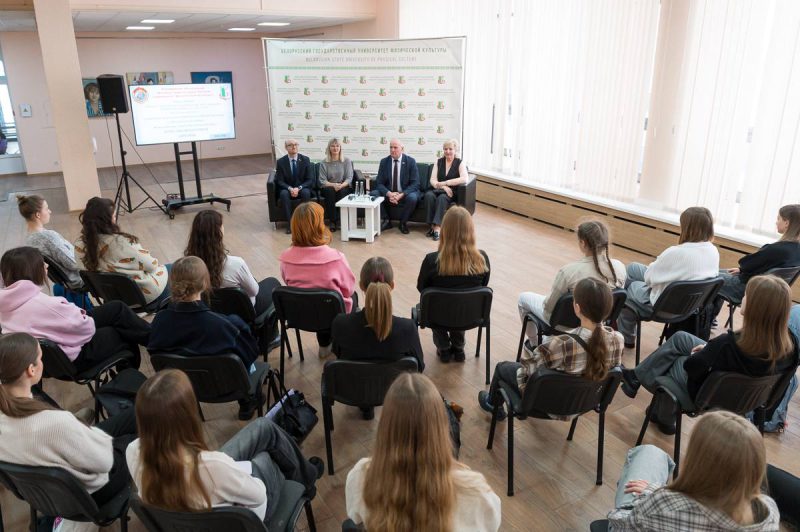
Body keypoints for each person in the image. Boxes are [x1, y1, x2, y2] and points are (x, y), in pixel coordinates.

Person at [127, 369, 323, 524]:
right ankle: (307, 481)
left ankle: (307, 474)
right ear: (187, 417)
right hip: (248, 519)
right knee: (268, 455)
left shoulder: (133, 450)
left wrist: (231, 471)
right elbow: (258, 496)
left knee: (264, 427)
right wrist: (246, 471)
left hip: (202, 496)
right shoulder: (211, 466)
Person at [621, 274, 799, 434]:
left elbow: (692, 367)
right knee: (681, 339)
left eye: (746, 295)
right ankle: (639, 381)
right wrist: (709, 350)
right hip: (745, 399)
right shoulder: (791, 349)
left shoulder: (728, 344)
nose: (743, 298)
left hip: (708, 397)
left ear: (755, 307)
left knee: (676, 361)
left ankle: (664, 415)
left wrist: (704, 353)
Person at [0, 333, 137, 525]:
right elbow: (104, 462)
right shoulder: (54, 423)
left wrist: (85, 433)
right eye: (41, 358)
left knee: (131, 417)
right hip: (95, 492)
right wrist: (91, 436)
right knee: (143, 431)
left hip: (50, 494)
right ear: (31, 370)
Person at [346, 372, 500, 532]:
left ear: (386, 426)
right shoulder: (477, 493)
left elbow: (355, 516)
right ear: (442, 425)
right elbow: (492, 524)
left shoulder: (361, 477)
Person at [479, 278, 624, 420]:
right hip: (584, 404)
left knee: (502, 368)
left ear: (577, 308)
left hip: (547, 406)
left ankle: (493, 405)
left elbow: (528, 374)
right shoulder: (618, 340)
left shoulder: (561, 344)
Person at [607, 411, 780, 531]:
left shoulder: (666, 505)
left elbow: (624, 524)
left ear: (699, 461)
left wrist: (651, 494)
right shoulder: (768, 513)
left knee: (650, 453)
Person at [147, 256, 262, 420]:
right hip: (229, 386)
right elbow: (251, 353)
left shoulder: (159, 321)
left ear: (172, 283)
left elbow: (156, 354)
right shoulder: (226, 325)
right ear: (205, 283)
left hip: (183, 388)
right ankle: (247, 402)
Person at [0, 246, 150, 371]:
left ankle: (152, 339)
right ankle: (152, 347)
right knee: (121, 331)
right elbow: (86, 330)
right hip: (73, 360)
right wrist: (80, 316)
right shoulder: (46, 305)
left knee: (116, 308)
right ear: (32, 271)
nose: (46, 266)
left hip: (46, 362)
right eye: (42, 264)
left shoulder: (6, 303)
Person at [616, 207, 720, 347]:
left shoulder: (676, 252)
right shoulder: (713, 251)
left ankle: (624, 336)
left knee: (630, 288)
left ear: (688, 228)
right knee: (632, 268)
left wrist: (657, 267)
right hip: (691, 305)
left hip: (663, 306)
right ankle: (622, 326)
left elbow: (650, 279)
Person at [517, 220, 626, 350]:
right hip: (601, 320)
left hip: (564, 324)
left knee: (523, 298)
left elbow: (549, 308)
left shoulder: (568, 272)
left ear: (583, 243)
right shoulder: (619, 267)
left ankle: (535, 344)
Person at [279, 202, 356, 359]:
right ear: (319, 226)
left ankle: (324, 344)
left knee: (315, 298)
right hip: (333, 316)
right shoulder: (336, 258)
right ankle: (345, 344)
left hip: (299, 316)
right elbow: (349, 290)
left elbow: (289, 284)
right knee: (351, 297)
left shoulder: (285, 259)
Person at [417, 206, 490, 362]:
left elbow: (422, 289)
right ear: (470, 230)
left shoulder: (432, 260)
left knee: (436, 303)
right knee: (462, 301)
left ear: (445, 230)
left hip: (437, 316)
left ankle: (443, 347)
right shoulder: (482, 259)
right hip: (470, 315)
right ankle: (458, 347)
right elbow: (482, 286)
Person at [74, 197, 169, 306]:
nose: (115, 219)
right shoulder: (121, 243)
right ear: (106, 221)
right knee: (174, 269)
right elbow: (152, 265)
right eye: (114, 216)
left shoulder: (79, 245)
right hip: (141, 297)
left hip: (110, 298)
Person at [332, 257, 424, 370]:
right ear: (392, 285)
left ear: (361, 286)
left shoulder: (340, 324)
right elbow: (419, 367)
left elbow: (338, 355)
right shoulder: (407, 329)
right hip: (396, 382)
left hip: (352, 381)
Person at [185, 209, 281, 317]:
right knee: (273, 283)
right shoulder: (236, 264)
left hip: (210, 314)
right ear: (218, 233)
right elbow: (254, 291)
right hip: (244, 314)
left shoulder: (189, 265)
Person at [715, 204, 800, 313]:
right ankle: (709, 318)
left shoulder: (776, 249)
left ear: (787, 223)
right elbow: (757, 267)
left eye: (778, 218)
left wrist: (743, 268)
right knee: (716, 272)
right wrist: (742, 269)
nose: (776, 222)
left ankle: (704, 319)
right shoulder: (796, 250)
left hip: (745, 289)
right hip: (766, 292)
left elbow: (745, 262)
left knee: (708, 276)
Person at [16, 194, 89, 306]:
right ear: (38, 215)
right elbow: (73, 263)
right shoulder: (48, 237)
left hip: (63, 281)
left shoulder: (29, 239)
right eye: (46, 208)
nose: (50, 211)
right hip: (77, 279)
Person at [423, 139, 469, 241]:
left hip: (450, 192)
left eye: (450, 149)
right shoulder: (438, 161)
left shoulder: (460, 163)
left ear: (455, 150)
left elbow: (465, 179)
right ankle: (431, 226)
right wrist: (443, 186)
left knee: (442, 198)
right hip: (437, 189)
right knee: (428, 195)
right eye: (445, 149)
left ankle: (437, 228)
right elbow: (433, 180)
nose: (447, 151)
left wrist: (446, 183)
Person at [373, 139, 420, 234]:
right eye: (391, 147)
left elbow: (415, 183)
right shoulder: (384, 162)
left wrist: (401, 194)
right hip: (389, 193)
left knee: (413, 198)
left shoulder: (410, 161)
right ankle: (386, 220)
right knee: (373, 194)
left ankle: (403, 223)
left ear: (402, 149)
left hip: (405, 193)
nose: (392, 150)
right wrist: (389, 194)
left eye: (395, 147)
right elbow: (379, 183)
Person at [274, 139, 314, 234]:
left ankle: (304, 224)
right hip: (287, 188)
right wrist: (290, 188)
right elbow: (280, 181)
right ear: (286, 147)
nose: (294, 147)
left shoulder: (305, 159)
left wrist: (298, 188)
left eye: (296, 144)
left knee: (306, 193)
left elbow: (309, 179)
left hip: (302, 188)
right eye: (290, 145)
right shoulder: (281, 162)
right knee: (283, 194)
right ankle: (290, 224)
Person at [318, 138, 354, 232]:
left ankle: (342, 220)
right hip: (328, 186)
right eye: (333, 146)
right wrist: (333, 185)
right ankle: (333, 221)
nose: (335, 148)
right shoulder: (324, 162)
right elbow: (322, 180)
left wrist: (341, 185)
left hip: (343, 185)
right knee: (330, 192)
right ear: (329, 148)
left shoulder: (347, 161)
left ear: (340, 148)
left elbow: (349, 178)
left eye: (337, 146)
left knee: (342, 192)